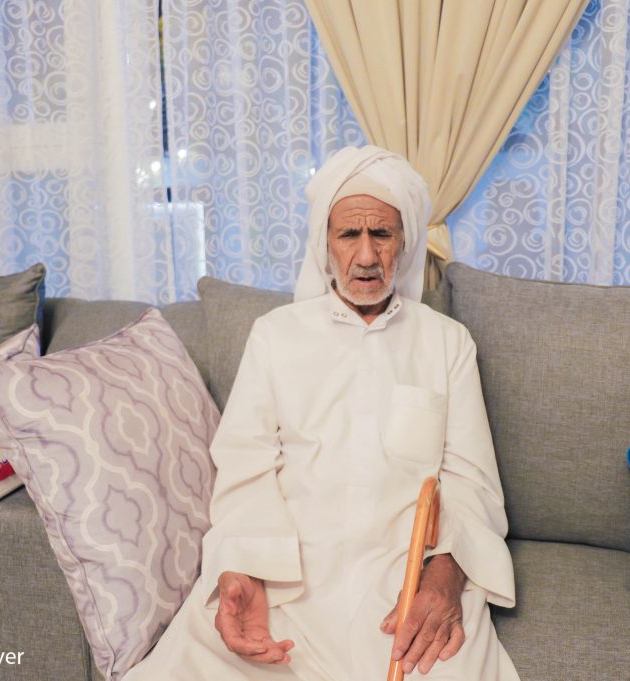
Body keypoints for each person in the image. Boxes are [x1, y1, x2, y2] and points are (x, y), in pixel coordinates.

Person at [126, 145, 518, 680]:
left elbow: (472, 481)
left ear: (405, 243)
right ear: (324, 244)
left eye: (382, 234)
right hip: (288, 576)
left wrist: (445, 576)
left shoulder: (448, 342)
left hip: (401, 581)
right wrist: (243, 570)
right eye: (349, 234)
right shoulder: (275, 335)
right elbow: (245, 468)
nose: (366, 255)